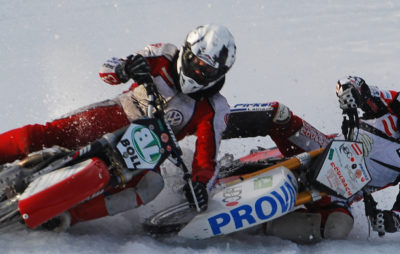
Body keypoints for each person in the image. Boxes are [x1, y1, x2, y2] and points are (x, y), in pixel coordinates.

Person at [0, 24, 236, 229]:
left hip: (151, 149)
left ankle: (69, 217)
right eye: (195, 61)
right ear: (186, 51)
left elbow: (207, 157)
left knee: (150, 185)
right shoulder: (163, 54)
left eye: (207, 69)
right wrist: (124, 69)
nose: (197, 70)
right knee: (47, 134)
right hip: (116, 113)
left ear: (221, 73)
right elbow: (108, 68)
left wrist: (201, 185)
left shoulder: (215, 108)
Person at [223, 76, 400, 242]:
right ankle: (212, 124)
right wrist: (349, 92)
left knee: (338, 226)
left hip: (338, 192)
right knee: (280, 114)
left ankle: (252, 228)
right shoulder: (393, 103)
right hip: (323, 150)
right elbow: (355, 84)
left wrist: (392, 219)